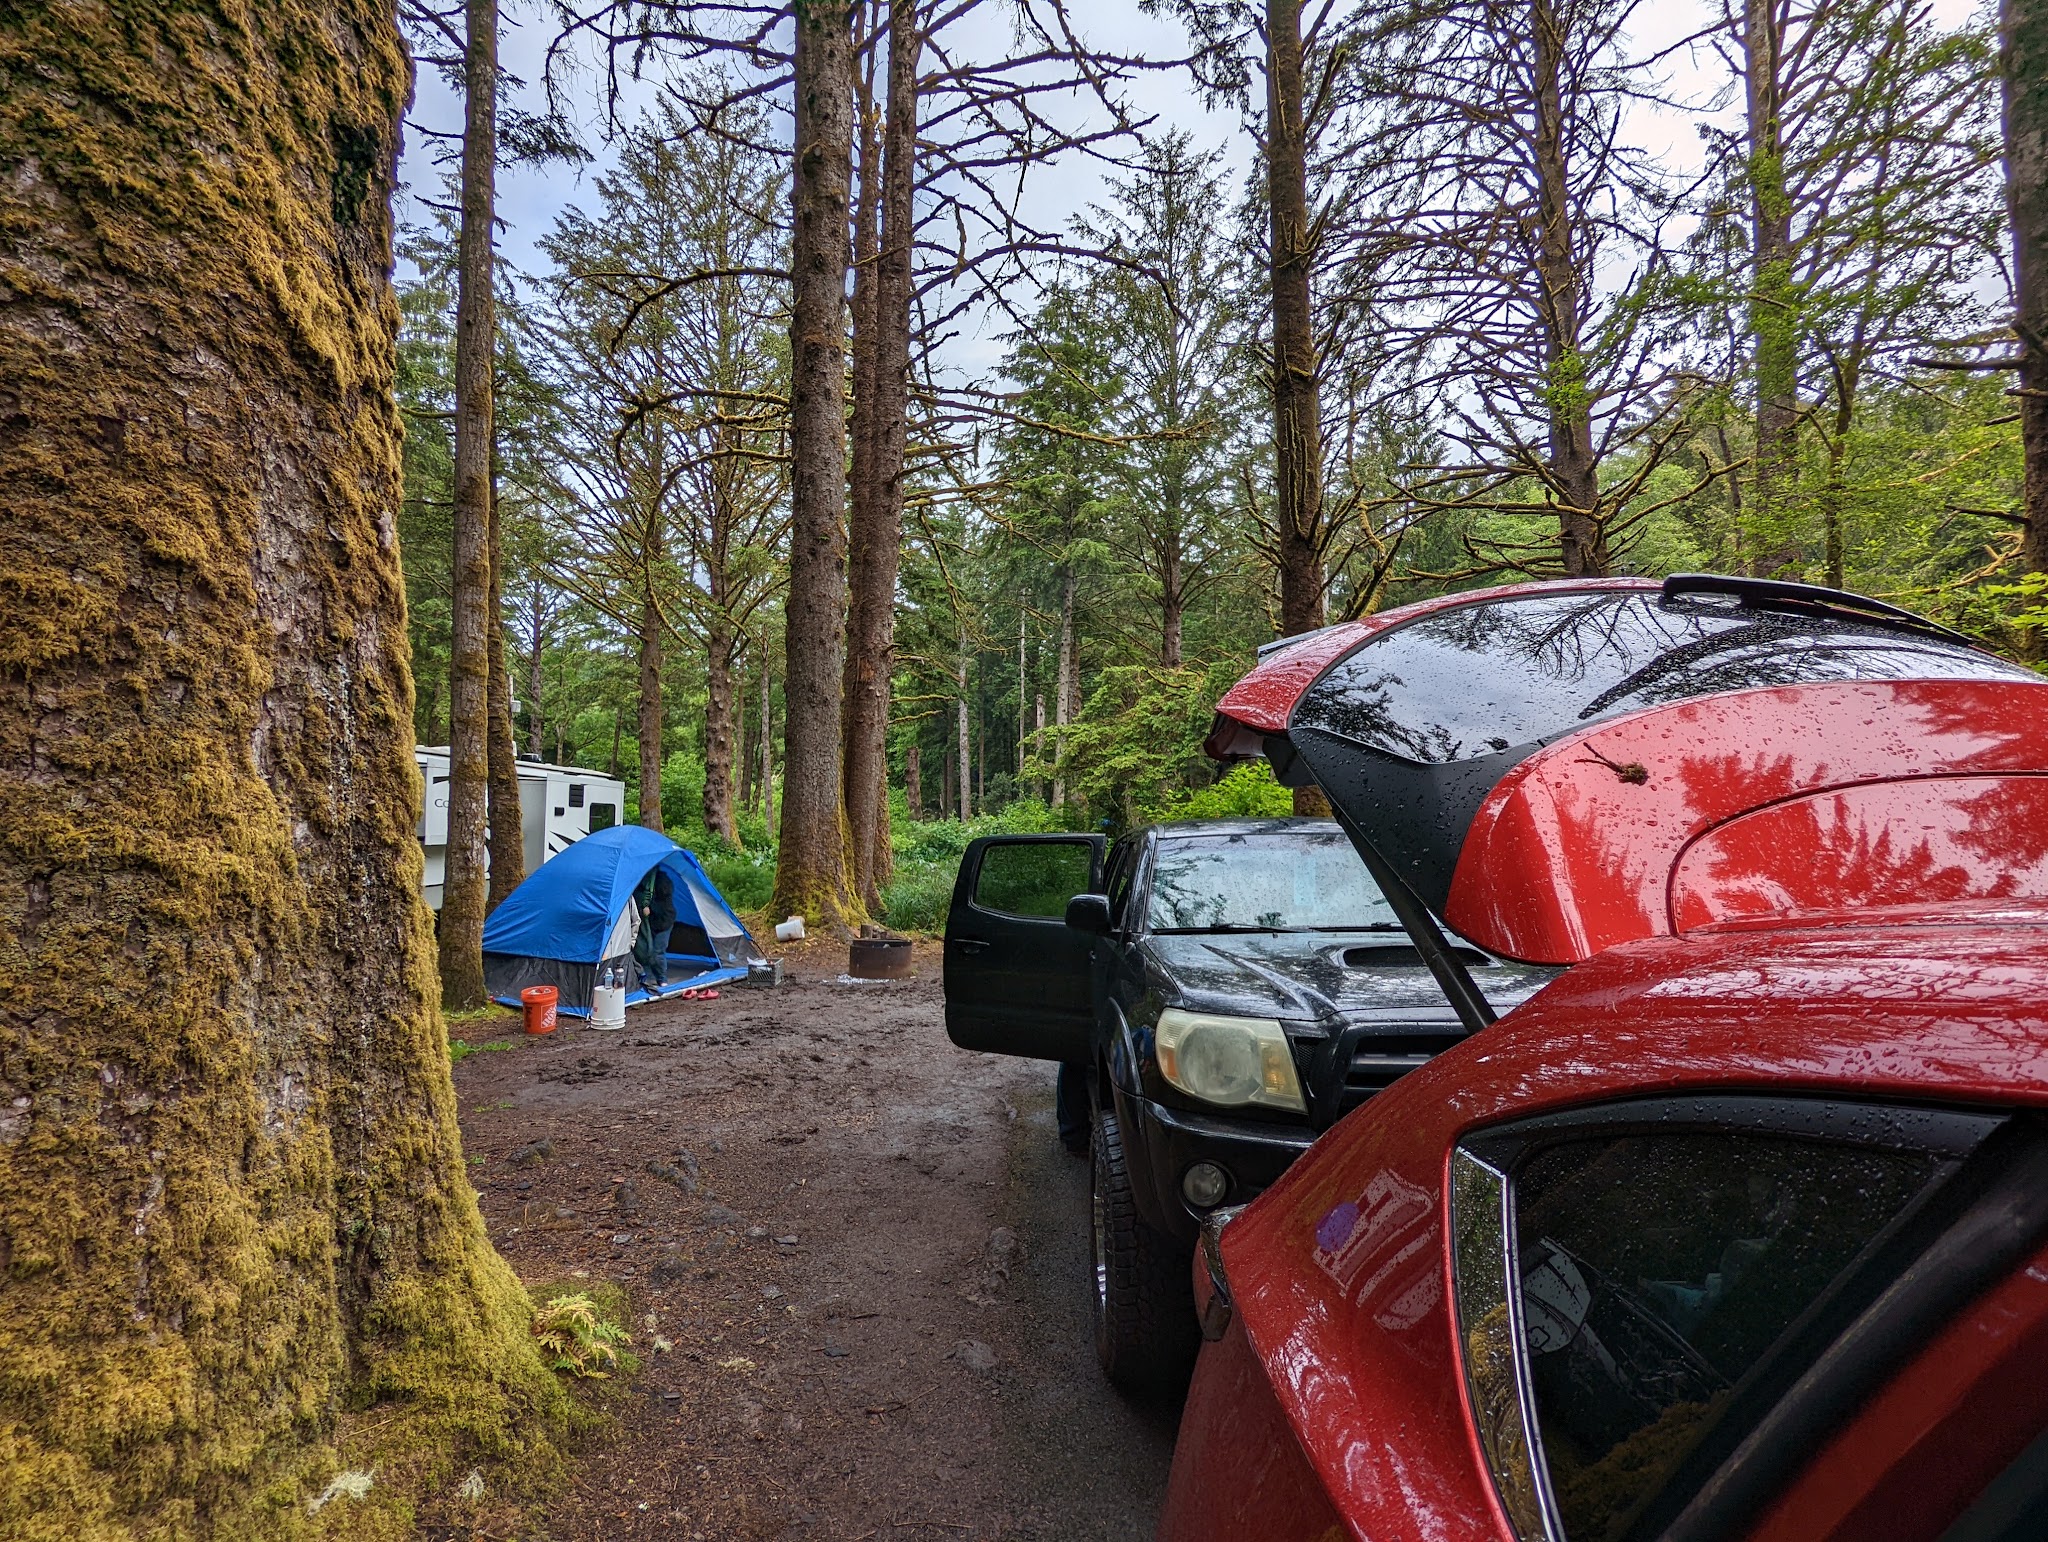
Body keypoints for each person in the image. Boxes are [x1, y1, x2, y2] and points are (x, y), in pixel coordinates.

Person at [632, 864, 677, 994]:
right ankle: (644, 979)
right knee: (644, 950)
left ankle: (662, 981)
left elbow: (664, 903)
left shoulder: (662, 881)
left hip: (664, 921)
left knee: (658, 952)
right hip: (649, 923)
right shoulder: (640, 883)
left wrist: (650, 908)